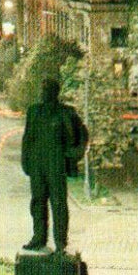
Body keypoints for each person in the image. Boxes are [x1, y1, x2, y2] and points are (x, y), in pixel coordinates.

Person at [20, 78, 88, 252]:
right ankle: (39, 238)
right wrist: (26, 160)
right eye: (43, 90)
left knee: (58, 204)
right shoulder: (34, 111)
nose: (43, 93)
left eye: (47, 90)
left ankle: (60, 242)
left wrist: (72, 155)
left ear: (55, 92)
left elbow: (82, 135)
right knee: (37, 202)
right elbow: (27, 138)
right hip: (37, 164)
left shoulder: (66, 113)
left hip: (56, 163)